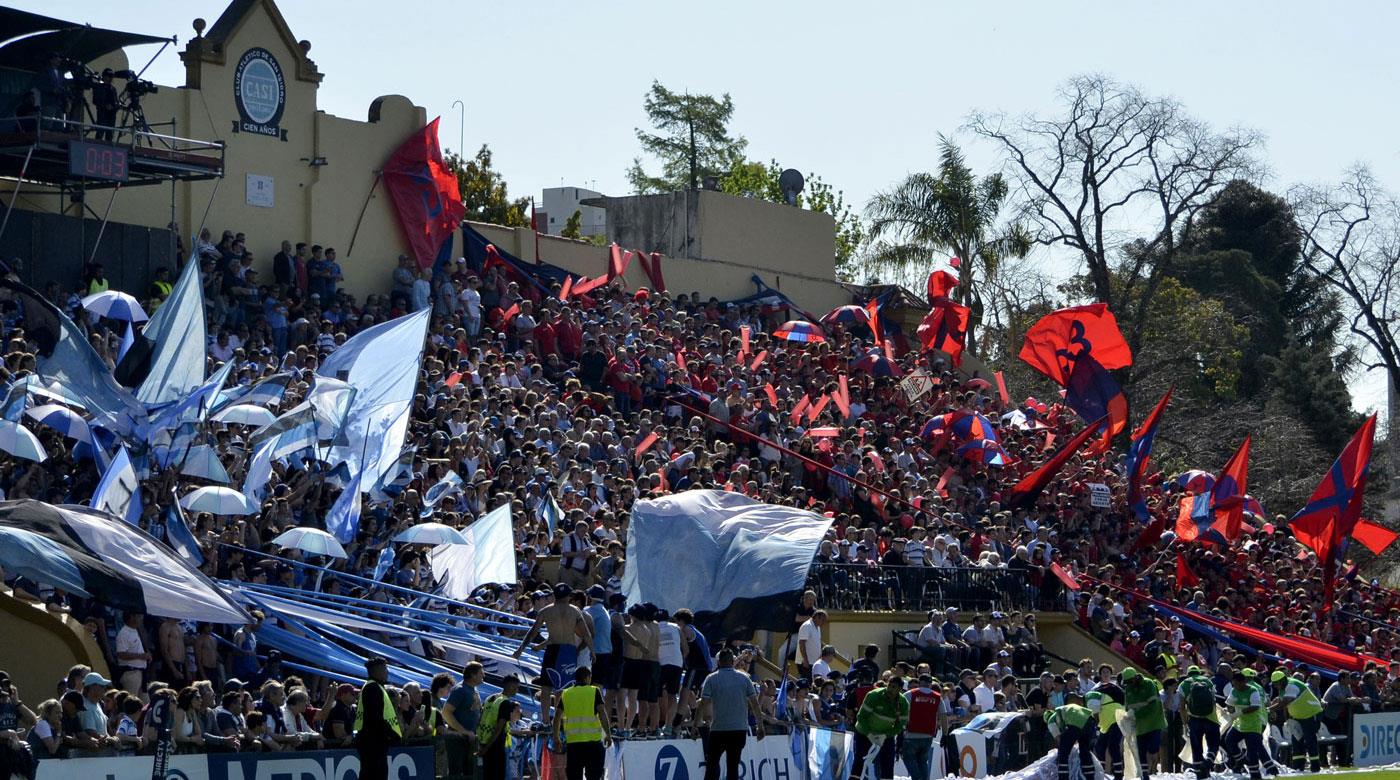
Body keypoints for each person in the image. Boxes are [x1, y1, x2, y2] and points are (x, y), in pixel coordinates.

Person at [696, 649, 763, 780]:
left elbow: (703, 703)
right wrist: (760, 726)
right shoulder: (744, 678)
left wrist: (695, 725)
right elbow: (755, 704)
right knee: (733, 768)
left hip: (718, 729)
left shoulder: (711, 678)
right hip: (738, 730)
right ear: (733, 661)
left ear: (719, 662)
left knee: (711, 767)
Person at [552, 667, 610, 780]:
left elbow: (557, 717)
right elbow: (602, 713)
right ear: (587, 677)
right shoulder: (594, 691)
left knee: (574, 777)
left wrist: (556, 737)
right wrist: (608, 734)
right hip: (593, 743)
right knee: (594, 777)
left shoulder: (566, 693)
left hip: (574, 744)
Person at [354, 657, 401, 780]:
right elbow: (375, 718)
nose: (387, 672)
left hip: (374, 742)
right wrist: (392, 734)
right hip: (373, 742)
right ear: (377, 671)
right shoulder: (372, 688)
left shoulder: (375, 687)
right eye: (385, 669)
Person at [855, 675, 909, 780]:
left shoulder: (903, 703)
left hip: (885, 735)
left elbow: (900, 726)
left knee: (888, 764)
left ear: (900, 689)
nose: (890, 689)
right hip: (864, 732)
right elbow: (861, 717)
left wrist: (886, 735)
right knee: (859, 761)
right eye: (889, 685)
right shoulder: (874, 695)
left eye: (894, 687)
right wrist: (869, 734)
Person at [1271, 669, 1323, 772]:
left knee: (1310, 740)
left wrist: (1269, 709)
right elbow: (1284, 704)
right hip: (1298, 717)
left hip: (1311, 714)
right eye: (1274, 684)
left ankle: (1315, 767)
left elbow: (1285, 702)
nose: (1276, 686)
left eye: (1277, 684)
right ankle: (1298, 767)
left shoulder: (1291, 685)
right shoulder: (1283, 688)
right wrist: (1288, 719)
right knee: (1296, 741)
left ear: (1282, 681)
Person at [1223, 668, 1269, 780]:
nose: (1236, 687)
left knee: (1252, 750)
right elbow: (1229, 703)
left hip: (1253, 725)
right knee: (1229, 740)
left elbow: (1255, 706)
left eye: (1237, 684)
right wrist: (1230, 710)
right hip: (1239, 724)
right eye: (1234, 684)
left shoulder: (1253, 690)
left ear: (1243, 682)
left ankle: (1255, 775)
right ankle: (1241, 760)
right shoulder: (1234, 691)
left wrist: (1240, 711)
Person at [1121, 668, 1165, 780]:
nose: (1128, 685)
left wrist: (1136, 714)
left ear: (1135, 678)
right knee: (1141, 750)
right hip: (1140, 725)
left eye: (1130, 682)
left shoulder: (1149, 684)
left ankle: (1153, 769)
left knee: (1152, 749)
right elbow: (1127, 706)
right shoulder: (1128, 689)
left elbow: (1153, 706)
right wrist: (1127, 716)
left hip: (1154, 722)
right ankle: (1144, 775)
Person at [442, 662, 484, 780]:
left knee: (470, 773)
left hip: (470, 739)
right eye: (481, 673)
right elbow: (446, 712)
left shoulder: (473, 690)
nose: (483, 676)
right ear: (473, 675)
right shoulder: (460, 690)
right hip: (457, 739)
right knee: (456, 774)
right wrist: (463, 731)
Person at [1180, 665, 1222, 780]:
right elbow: (1213, 701)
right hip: (1211, 718)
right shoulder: (1208, 682)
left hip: (1194, 720)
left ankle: (1200, 773)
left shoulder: (1184, 684)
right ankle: (1208, 763)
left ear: (1188, 674)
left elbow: (1182, 707)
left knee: (1196, 747)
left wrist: (1185, 724)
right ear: (1199, 673)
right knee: (1214, 744)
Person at [1045, 691, 1097, 780]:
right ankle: (1090, 777)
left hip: (1075, 723)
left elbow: (1059, 739)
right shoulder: (1063, 710)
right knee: (1085, 752)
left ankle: (1063, 777)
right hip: (1089, 720)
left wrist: (1066, 747)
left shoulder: (1051, 720)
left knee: (1063, 753)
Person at [903, 673, 943, 780]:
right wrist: (946, 734)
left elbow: (900, 709)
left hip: (911, 734)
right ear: (930, 684)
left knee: (909, 758)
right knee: (923, 761)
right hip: (928, 735)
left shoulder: (910, 694)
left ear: (919, 682)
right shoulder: (938, 697)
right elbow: (943, 716)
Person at [796, 610, 826, 680]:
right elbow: (802, 643)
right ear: (816, 617)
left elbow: (817, 642)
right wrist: (805, 659)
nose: (824, 622)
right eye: (823, 620)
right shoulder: (807, 626)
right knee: (807, 684)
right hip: (805, 663)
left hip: (813, 663)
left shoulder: (817, 627)